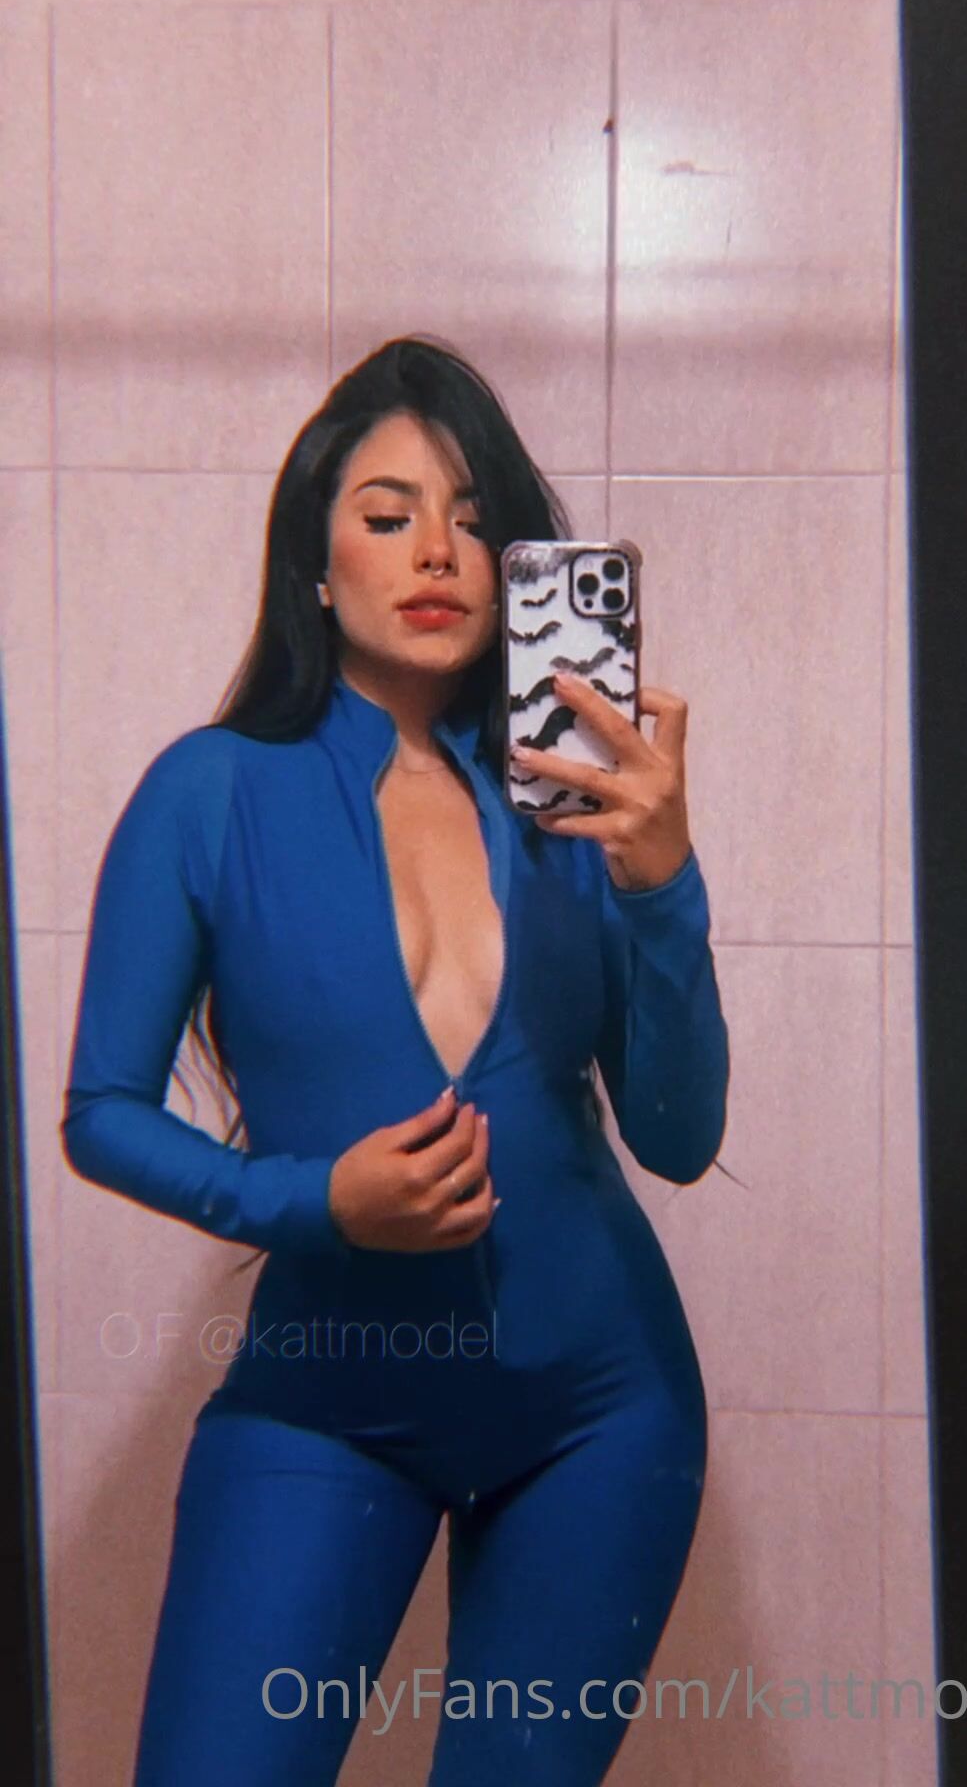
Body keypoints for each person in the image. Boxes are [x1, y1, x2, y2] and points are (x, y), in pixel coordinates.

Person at [61, 335, 731, 1787]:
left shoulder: (578, 805)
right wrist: (313, 1201)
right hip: (326, 1400)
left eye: (476, 520)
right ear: (315, 563)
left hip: (600, 1414)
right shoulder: (209, 791)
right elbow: (102, 1112)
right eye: (388, 514)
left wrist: (664, 880)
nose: (437, 550)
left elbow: (678, 1136)